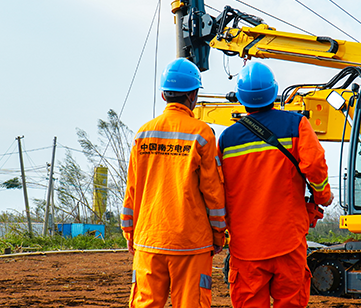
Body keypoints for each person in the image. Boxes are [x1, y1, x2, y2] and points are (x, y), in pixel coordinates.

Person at [217, 62, 333, 308]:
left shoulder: (227, 139)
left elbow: (217, 188)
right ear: (274, 92)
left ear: (241, 98)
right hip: (287, 241)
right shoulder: (296, 125)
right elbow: (314, 166)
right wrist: (322, 197)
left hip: (246, 246)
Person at [121, 58, 226, 308]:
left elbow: (132, 190)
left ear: (163, 95)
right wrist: (218, 234)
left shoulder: (143, 134)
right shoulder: (201, 134)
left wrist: (130, 232)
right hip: (192, 243)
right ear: (193, 95)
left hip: (149, 240)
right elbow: (213, 191)